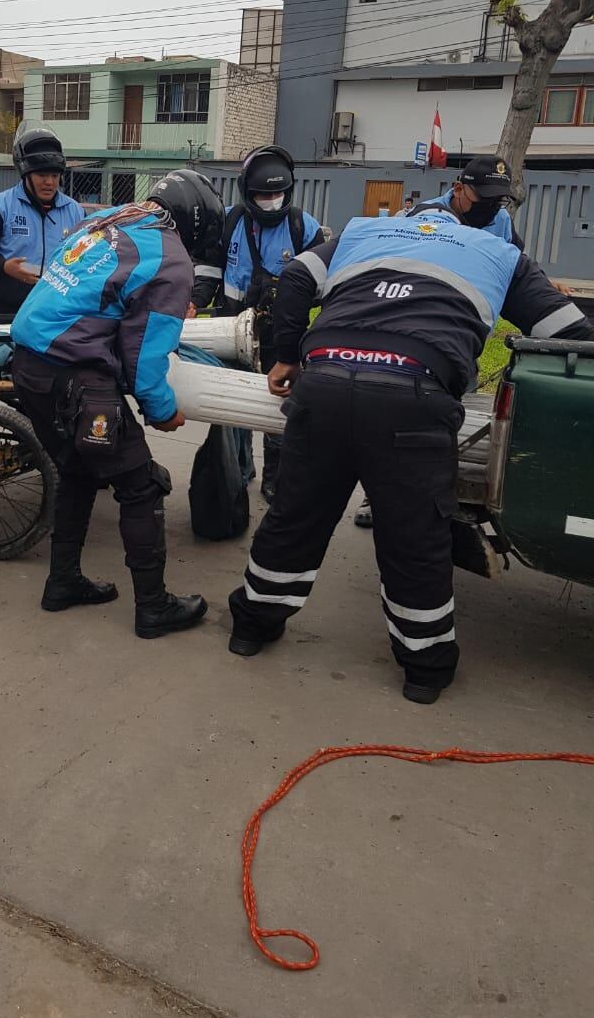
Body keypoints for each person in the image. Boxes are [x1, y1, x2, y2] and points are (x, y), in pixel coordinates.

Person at [227, 201, 594, 704]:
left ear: (405, 221)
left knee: (295, 516)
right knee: (414, 537)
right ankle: (425, 671)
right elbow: (571, 335)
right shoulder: (497, 251)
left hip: (325, 382)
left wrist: (286, 355)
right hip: (413, 394)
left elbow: (292, 278)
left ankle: (250, 628)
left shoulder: (361, 233)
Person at [10, 170, 225, 639]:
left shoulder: (109, 218)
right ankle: (154, 607)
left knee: (79, 473)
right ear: (198, 226)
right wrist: (163, 410)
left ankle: (62, 582)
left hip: (28, 364)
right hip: (75, 378)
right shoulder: (171, 258)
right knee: (140, 484)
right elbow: (146, 355)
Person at [353, 154, 564, 528]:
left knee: (448, 414)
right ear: (458, 189)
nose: (490, 207)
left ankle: (436, 494)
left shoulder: (499, 220)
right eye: (481, 198)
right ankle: (376, 496)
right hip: (416, 325)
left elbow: (518, 263)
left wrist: (544, 289)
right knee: (398, 420)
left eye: (497, 200)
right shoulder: (424, 218)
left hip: (461, 329)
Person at [190, 145, 323, 501]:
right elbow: (208, 268)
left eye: (278, 193)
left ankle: (274, 479)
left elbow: (323, 284)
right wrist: (194, 301)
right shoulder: (229, 222)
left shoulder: (303, 227)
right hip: (229, 328)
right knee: (234, 405)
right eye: (264, 194)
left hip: (283, 336)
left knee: (277, 409)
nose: (271, 201)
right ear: (247, 192)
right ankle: (238, 468)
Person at [0, 126, 86, 315]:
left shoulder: (76, 211)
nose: (49, 182)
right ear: (25, 174)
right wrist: (3, 266)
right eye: (42, 175)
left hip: (55, 310)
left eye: (55, 176)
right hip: (4, 310)